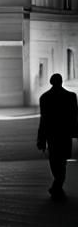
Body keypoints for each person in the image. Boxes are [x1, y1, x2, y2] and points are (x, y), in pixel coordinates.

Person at [36, 73, 78, 201]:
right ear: (61, 81)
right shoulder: (71, 96)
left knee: (54, 161)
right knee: (63, 161)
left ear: (51, 82)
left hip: (52, 135)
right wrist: (75, 132)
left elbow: (43, 120)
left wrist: (41, 139)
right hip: (64, 134)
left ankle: (57, 185)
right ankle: (57, 185)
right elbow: (74, 117)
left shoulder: (44, 97)